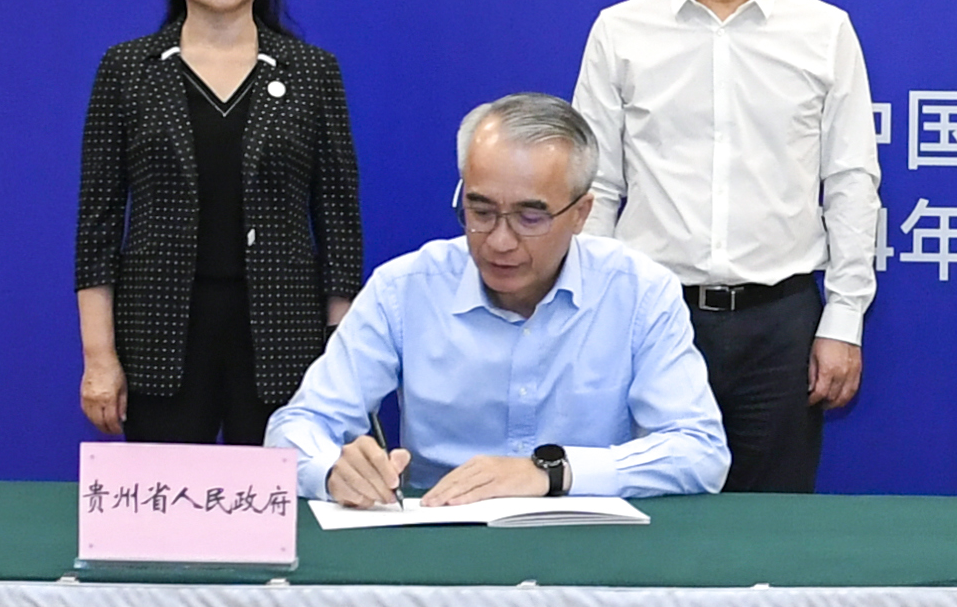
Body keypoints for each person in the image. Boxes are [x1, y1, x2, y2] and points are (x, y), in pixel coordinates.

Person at [571, 0, 882, 493]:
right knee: (655, 513)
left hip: (782, 324)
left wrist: (843, 319)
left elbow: (851, 182)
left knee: (773, 522)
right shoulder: (621, 30)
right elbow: (594, 187)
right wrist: (602, 314)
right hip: (654, 317)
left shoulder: (823, 31)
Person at [268, 94, 728, 505]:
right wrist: (333, 469)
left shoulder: (639, 293)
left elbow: (700, 451)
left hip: (586, 541)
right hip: (443, 536)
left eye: (530, 217)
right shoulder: (404, 289)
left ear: (581, 214)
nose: (499, 241)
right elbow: (295, 427)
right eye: (481, 211)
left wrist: (553, 472)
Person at [74, 0, 364, 445]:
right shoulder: (127, 70)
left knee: (282, 497)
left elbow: (339, 222)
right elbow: (97, 227)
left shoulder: (313, 72)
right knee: (166, 497)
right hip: (159, 340)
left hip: (284, 341)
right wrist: (99, 358)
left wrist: (340, 349)